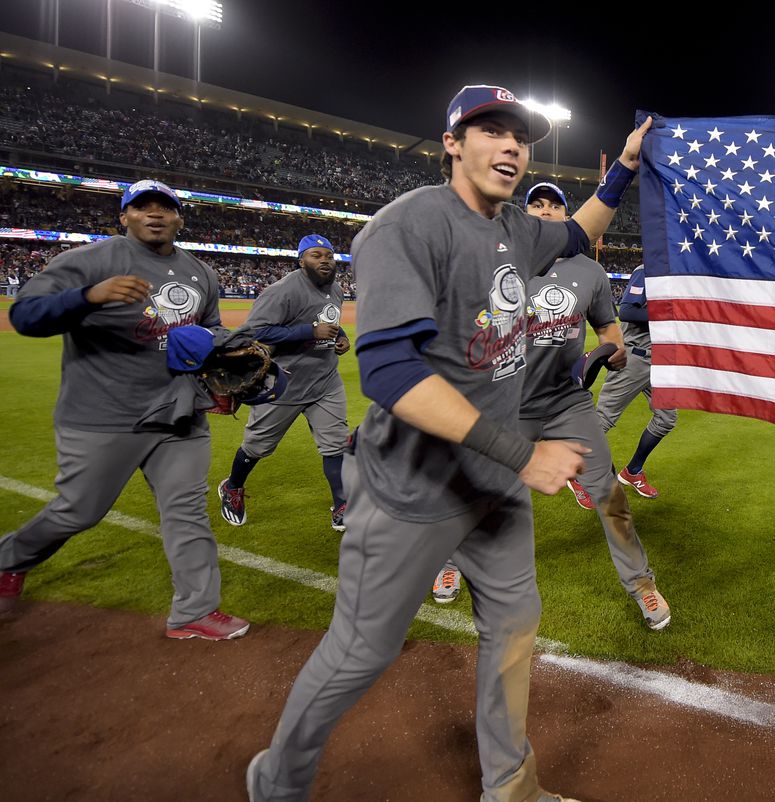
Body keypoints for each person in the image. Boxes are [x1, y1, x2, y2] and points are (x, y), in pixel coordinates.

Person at [246, 86, 650, 802]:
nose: (510, 147)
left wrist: (621, 167)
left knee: (515, 628)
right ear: (452, 144)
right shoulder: (406, 227)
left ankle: (511, 789)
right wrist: (524, 453)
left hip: (491, 487)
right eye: (489, 131)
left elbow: (577, 233)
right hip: (414, 488)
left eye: (519, 137)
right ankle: (276, 779)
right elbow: (391, 374)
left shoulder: (517, 229)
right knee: (361, 652)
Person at [0, 179, 250, 640]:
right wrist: (87, 297)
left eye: (164, 207)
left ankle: (194, 611)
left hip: (176, 414)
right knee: (79, 511)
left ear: (179, 217)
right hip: (104, 413)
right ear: (125, 217)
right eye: (142, 207)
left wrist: (215, 350)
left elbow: (210, 329)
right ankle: (10, 558)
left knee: (187, 510)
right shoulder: (90, 261)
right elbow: (25, 315)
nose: (154, 214)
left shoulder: (201, 273)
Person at [432, 183, 671, 630]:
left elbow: (607, 328)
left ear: (568, 215)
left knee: (609, 494)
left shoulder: (590, 272)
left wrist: (614, 350)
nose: (545, 211)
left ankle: (641, 583)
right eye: (535, 205)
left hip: (566, 402)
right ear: (523, 214)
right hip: (507, 403)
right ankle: (449, 560)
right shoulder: (500, 258)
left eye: (554, 205)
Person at [216, 234, 351, 532]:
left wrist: (342, 338)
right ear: (301, 260)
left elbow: (332, 322)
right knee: (256, 446)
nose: (325, 260)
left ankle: (342, 506)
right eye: (316, 255)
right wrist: (308, 332)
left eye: (329, 255)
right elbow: (255, 331)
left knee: (335, 445)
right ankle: (233, 487)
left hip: (325, 381)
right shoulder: (283, 290)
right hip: (283, 384)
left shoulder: (336, 289)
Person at [593, 263, 677, 498]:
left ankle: (633, 471)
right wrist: (670, 314)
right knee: (603, 418)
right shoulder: (647, 269)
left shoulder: (679, 275)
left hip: (659, 362)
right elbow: (628, 310)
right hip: (635, 357)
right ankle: (572, 469)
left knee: (666, 418)